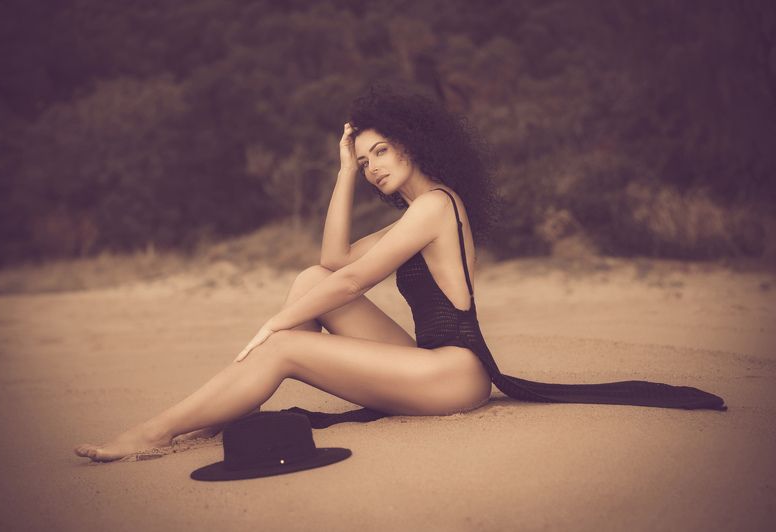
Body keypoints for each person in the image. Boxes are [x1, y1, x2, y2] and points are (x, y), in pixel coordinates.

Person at [74, 86, 725, 462]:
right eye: (366, 159)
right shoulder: (415, 213)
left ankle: (155, 432)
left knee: (287, 343)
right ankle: (208, 413)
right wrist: (341, 172)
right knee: (307, 281)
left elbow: (351, 285)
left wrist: (272, 324)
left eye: (381, 151)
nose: (375, 165)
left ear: (413, 143)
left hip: (457, 374)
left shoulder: (437, 205)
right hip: (428, 363)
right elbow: (332, 262)